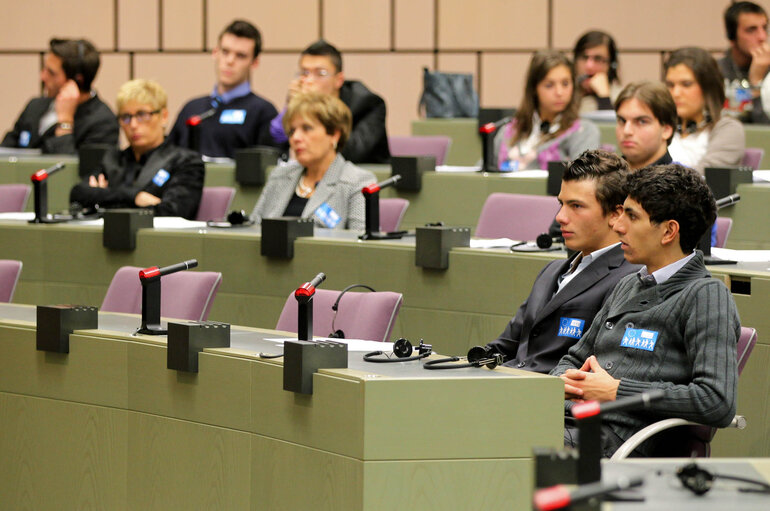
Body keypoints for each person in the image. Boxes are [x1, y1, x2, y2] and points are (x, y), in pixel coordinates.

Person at [552, 164, 740, 458]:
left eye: (632, 216)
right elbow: (572, 359)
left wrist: (616, 390)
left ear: (669, 231)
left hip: (613, 444)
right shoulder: (629, 284)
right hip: (566, 422)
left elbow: (716, 401)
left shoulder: (706, 295)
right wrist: (564, 380)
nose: (618, 226)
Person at [486, 150, 638, 373]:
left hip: (552, 395)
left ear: (616, 214)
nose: (560, 217)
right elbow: (504, 347)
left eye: (576, 206)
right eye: (561, 204)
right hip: (509, 383)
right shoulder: (552, 271)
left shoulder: (629, 279)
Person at [70, 79, 204, 219]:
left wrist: (106, 196)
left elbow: (171, 212)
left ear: (163, 116)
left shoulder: (185, 162)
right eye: (126, 117)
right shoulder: (114, 159)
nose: (133, 125)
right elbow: (78, 193)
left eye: (142, 115)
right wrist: (135, 197)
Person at [251, 92, 376, 230]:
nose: (296, 138)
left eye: (307, 128)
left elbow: (361, 245)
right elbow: (253, 230)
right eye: (292, 131)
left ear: (334, 134)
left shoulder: (357, 182)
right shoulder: (279, 176)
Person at [167, 20, 278, 158]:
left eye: (240, 56)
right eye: (225, 52)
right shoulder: (191, 108)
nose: (230, 61)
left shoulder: (263, 112)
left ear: (254, 63)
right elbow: (169, 159)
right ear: (215, 53)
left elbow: (268, 170)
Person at [269, 40, 390, 164]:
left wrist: (316, 107)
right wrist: (291, 108)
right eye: (305, 73)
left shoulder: (369, 104)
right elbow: (275, 147)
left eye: (320, 73)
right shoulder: (300, 105)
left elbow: (351, 154)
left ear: (339, 80)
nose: (309, 80)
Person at [1, 38, 118, 154]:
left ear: (77, 80)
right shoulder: (34, 105)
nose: (43, 77)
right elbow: (5, 152)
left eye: (51, 73)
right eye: (44, 69)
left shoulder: (103, 122)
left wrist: (65, 124)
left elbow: (74, 171)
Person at [494, 51, 599, 171]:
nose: (559, 92)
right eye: (549, 85)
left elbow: (583, 180)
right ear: (534, 88)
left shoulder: (584, 131)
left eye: (565, 84)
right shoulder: (508, 131)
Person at [665, 47, 745, 175]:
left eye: (686, 84)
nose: (675, 93)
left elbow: (702, 178)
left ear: (708, 87)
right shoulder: (661, 126)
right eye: (670, 85)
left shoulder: (728, 129)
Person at [719, 1, 770, 123]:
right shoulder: (717, 71)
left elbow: (763, 132)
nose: (762, 37)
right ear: (732, 37)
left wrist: (757, 81)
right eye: (751, 30)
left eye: (764, 28)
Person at [614, 81, 676, 170]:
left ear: (666, 130)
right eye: (622, 120)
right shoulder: (604, 179)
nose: (626, 131)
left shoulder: (684, 182)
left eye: (642, 121)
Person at [573, 31, 622, 114]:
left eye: (598, 59)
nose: (589, 66)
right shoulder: (563, 95)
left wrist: (604, 98)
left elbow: (611, 126)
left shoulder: (622, 98)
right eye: (584, 57)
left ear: (611, 65)